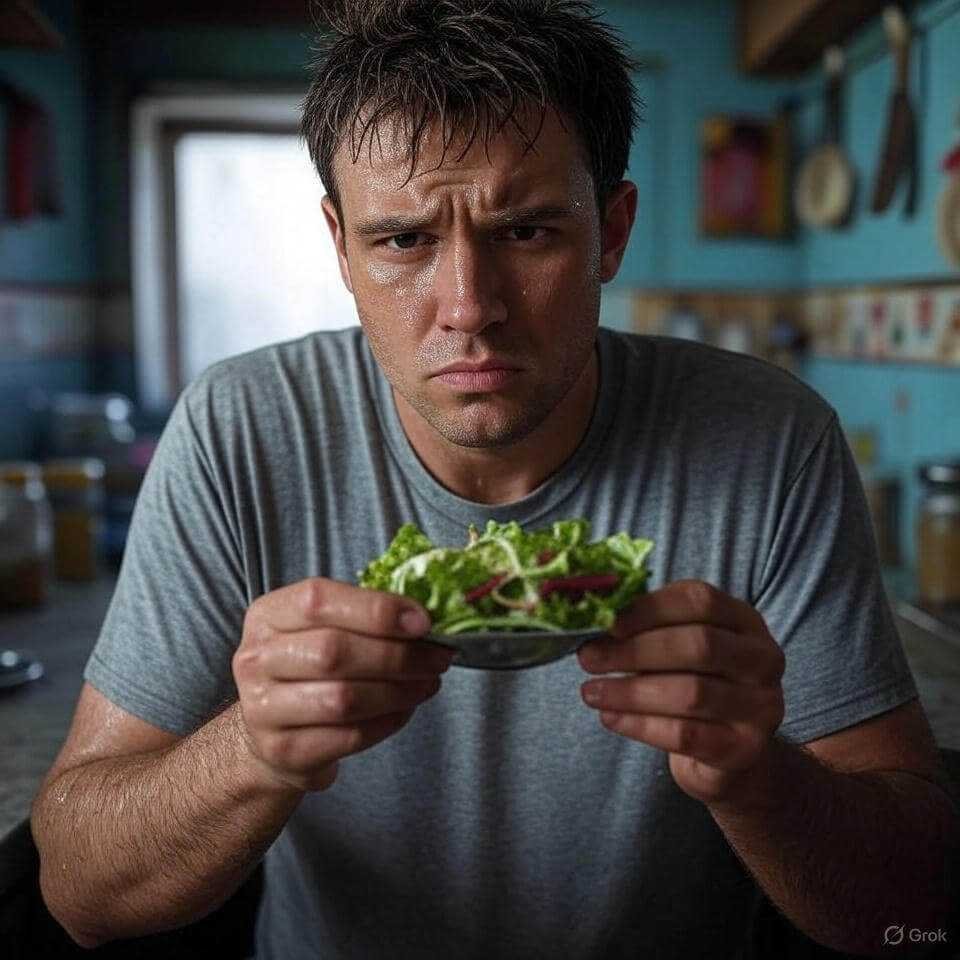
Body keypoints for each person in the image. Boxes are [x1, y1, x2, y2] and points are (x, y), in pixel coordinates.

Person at [31, 1, 956, 957]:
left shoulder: (771, 439)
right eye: (403, 241)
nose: (470, 308)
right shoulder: (239, 428)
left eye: (526, 232)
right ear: (340, 246)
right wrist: (253, 749)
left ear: (613, 230)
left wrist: (758, 775)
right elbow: (79, 894)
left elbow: (916, 916)